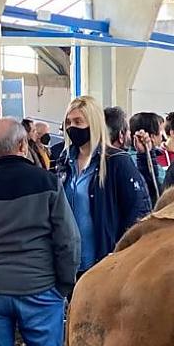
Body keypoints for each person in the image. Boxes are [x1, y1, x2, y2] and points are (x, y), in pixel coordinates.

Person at [0, 117, 80, 346]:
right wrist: (64, 284)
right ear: (21, 144)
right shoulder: (47, 183)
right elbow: (68, 240)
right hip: (40, 289)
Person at [56, 96, 151, 278]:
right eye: (68, 122)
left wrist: (122, 251)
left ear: (93, 123)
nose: (71, 127)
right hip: (69, 262)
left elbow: (138, 210)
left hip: (103, 261)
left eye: (78, 121)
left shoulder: (117, 161)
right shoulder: (64, 162)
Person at [129, 112, 167, 205]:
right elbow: (164, 188)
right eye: (161, 132)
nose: (162, 137)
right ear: (152, 137)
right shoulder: (139, 162)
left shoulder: (127, 157)